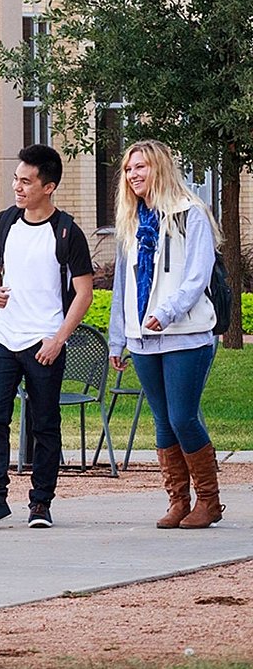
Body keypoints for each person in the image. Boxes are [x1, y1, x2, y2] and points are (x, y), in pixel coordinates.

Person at [0, 144, 96, 531]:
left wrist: (58, 339)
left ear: (49, 186)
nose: (18, 187)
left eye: (26, 181)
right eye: (16, 179)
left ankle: (41, 503)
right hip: (3, 337)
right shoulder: (5, 221)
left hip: (44, 341)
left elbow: (85, 292)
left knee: (44, 422)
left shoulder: (67, 232)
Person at [107, 139, 225, 530]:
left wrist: (166, 311)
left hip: (185, 333)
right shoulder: (131, 219)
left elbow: (196, 276)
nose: (133, 175)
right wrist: (118, 337)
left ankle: (209, 501)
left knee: (183, 417)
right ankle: (178, 501)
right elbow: (123, 283)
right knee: (161, 421)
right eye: (128, 169)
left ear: (160, 169)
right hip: (142, 338)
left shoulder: (190, 214)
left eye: (140, 167)